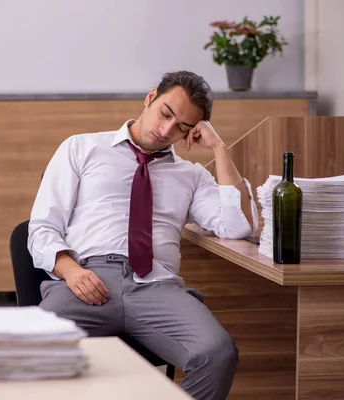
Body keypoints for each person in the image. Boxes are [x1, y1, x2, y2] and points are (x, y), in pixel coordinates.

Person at [27, 71, 258, 400]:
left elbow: (239, 227)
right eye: (166, 113)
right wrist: (70, 270)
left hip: (156, 286)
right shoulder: (82, 147)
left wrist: (219, 149)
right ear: (150, 97)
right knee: (25, 349)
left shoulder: (190, 176)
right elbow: (42, 228)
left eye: (182, 127)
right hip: (87, 278)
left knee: (218, 354)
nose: (166, 131)